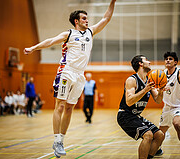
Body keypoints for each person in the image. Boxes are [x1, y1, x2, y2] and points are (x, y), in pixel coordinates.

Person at [24, 0, 116, 157]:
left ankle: (62, 140)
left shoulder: (90, 32)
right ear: (77, 21)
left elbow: (106, 18)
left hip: (80, 75)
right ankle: (57, 140)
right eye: (84, 19)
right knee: (60, 106)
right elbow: (50, 41)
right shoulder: (69, 34)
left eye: (87, 18)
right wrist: (33, 48)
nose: (87, 21)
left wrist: (113, 1)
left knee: (69, 108)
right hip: (66, 72)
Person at [117, 55, 164, 159]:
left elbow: (158, 100)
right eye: (146, 60)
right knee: (148, 135)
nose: (149, 62)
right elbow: (129, 102)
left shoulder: (149, 80)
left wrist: (161, 90)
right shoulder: (131, 80)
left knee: (159, 135)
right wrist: (145, 90)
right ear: (140, 64)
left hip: (135, 115)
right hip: (125, 115)